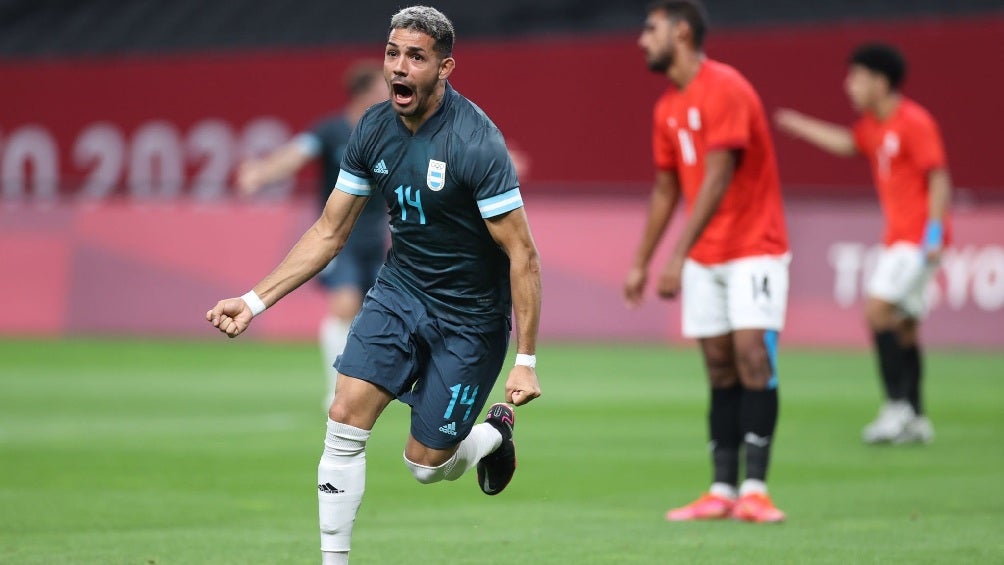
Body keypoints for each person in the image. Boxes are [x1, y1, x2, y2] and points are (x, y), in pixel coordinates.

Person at [207, 6, 542, 563]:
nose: (400, 68)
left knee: (426, 464)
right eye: (393, 54)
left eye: (416, 57)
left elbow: (523, 255)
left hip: (470, 317)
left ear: (445, 67)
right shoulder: (372, 127)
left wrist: (525, 358)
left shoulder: (476, 142)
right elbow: (329, 230)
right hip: (400, 292)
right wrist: (252, 300)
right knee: (343, 416)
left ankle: (493, 436)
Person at [624, 0, 790, 523]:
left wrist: (675, 256)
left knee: (751, 355)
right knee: (718, 365)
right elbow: (666, 188)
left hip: (754, 247)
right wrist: (641, 261)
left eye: (650, 29)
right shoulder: (666, 107)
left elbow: (716, 177)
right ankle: (721, 489)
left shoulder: (727, 88)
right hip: (705, 256)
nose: (640, 40)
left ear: (680, 32)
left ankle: (757, 489)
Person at [775, 43, 950, 445]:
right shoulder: (874, 126)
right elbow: (848, 144)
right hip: (899, 240)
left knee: (876, 312)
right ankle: (917, 417)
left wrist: (935, 233)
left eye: (856, 77)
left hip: (918, 240)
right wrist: (801, 125)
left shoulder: (914, 122)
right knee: (905, 328)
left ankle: (895, 409)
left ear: (880, 81)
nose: (848, 86)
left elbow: (938, 177)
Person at [237, 62, 389, 407]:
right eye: (383, 88)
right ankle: (336, 388)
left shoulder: (388, 131)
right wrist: (262, 173)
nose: (391, 93)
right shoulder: (330, 130)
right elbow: (295, 155)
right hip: (338, 239)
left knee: (379, 314)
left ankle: (373, 383)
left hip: (376, 240)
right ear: (365, 93)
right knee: (344, 304)